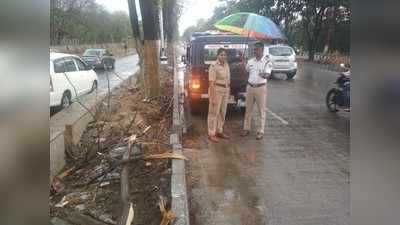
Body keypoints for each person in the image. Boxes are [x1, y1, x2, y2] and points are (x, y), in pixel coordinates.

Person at [240, 42, 272, 140]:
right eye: (254, 49)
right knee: (248, 109)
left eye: (257, 49)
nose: (254, 51)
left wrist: (263, 74)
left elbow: (267, 75)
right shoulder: (250, 61)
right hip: (250, 87)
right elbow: (246, 72)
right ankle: (246, 128)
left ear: (262, 50)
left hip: (260, 88)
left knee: (261, 111)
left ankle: (260, 131)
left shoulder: (267, 62)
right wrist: (243, 63)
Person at [207, 48, 231, 143]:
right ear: (217, 55)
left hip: (226, 90)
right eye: (221, 55)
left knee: (222, 112)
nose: (223, 56)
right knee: (213, 113)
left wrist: (229, 91)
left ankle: (219, 130)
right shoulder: (213, 66)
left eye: (225, 55)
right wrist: (213, 97)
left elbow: (228, 80)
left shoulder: (226, 65)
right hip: (216, 90)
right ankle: (211, 133)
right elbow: (211, 83)